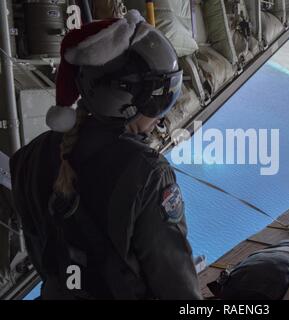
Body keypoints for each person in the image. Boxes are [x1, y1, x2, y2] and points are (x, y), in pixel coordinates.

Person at [9, 10, 201, 300]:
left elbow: (43, 256)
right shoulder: (148, 173)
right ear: (126, 101)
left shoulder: (27, 157)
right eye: (157, 101)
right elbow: (176, 286)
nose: (160, 119)